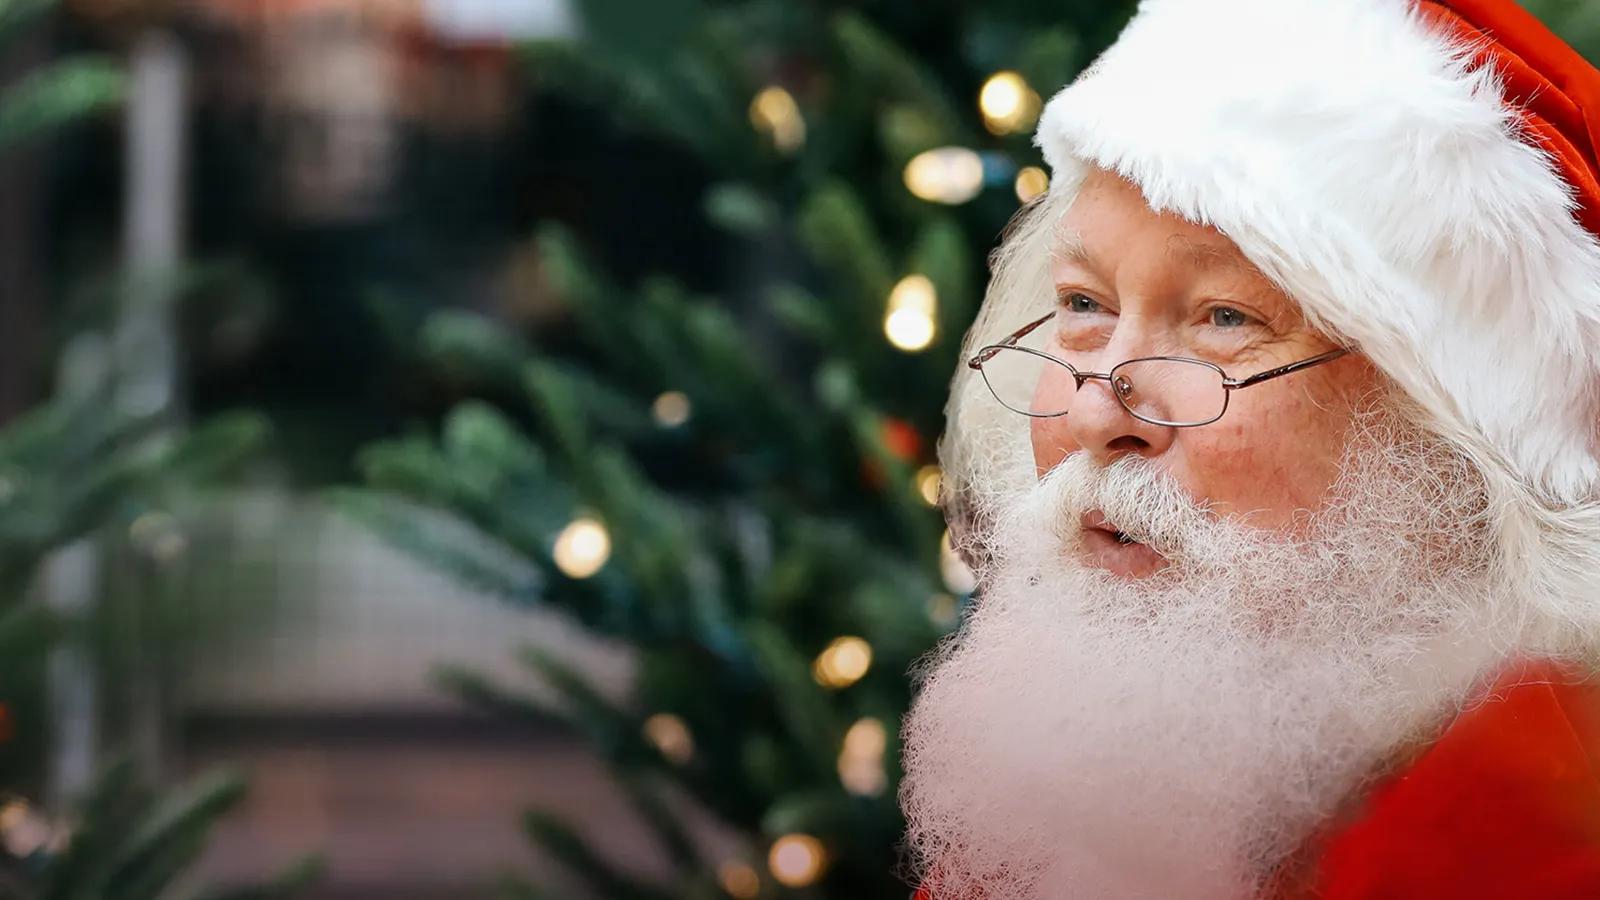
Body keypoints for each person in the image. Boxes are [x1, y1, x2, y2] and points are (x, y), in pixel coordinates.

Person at [899, 1, 1600, 898]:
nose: (1093, 417)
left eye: (1224, 321)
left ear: (1450, 449)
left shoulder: (1534, 860)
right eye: (1084, 305)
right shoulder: (1054, 804)